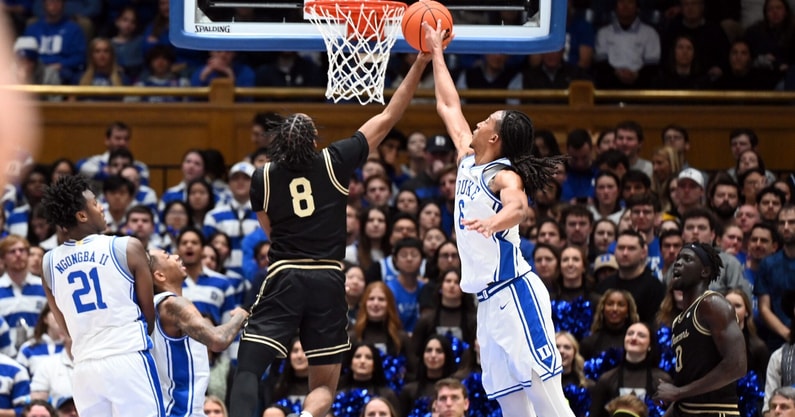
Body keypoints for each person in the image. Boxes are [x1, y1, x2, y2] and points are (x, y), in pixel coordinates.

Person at [228, 49, 431, 417]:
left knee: (248, 368)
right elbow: (388, 116)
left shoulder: (263, 177)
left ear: (278, 144)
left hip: (285, 274)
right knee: (323, 384)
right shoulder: (334, 161)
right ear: (313, 140)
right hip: (327, 277)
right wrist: (419, 63)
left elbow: (271, 232)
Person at [424, 21, 574, 417]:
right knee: (511, 404)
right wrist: (435, 53)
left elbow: (518, 206)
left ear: (495, 138)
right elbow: (448, 105)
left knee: (547, 396)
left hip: (515, 292)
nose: (476, 122)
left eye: (486, 121)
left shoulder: (503, 174)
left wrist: (495, 223)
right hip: (487, 304)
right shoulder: (468, 158)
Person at [39, 175, 164, 417]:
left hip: (85, 368)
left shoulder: (48, 263)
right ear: (82, 215)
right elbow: (148, 315)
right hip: (127, 357)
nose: (102, 207)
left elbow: (65, 326)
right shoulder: (127, 246)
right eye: (95, 203)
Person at [148, 248, 248, 417]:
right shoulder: (172, 304)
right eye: (167, 256)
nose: (176, 256)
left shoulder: (153, 306)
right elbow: (218, 340)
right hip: (179, 411)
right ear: (160, 276)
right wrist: (241, 316)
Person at [653, 242, 747, 416]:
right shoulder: (679, 321)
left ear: (704, 271)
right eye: (678, 259)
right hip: (688, 410)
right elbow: (690, 386)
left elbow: (737, 365)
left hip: (715, 411)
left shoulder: (712, 304)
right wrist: (676, 395)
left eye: (687, 259)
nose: (678, 263)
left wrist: (678, 392)